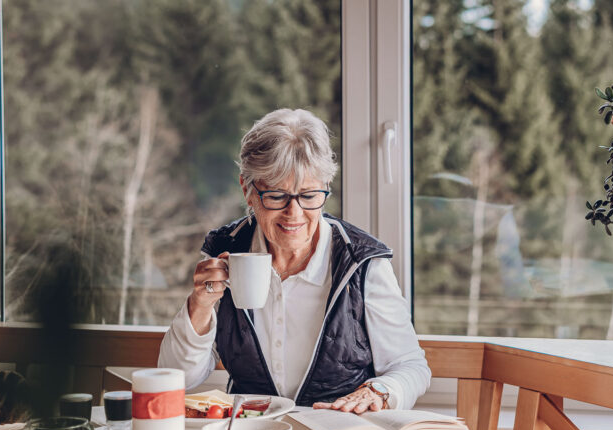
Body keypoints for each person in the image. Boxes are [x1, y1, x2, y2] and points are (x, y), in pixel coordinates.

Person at [158, 108, 430, 412]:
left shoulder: (362, 263)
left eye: (309, 195)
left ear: (326, 186)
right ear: (247, 190)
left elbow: (410, 366)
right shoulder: (225, 250)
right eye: (277, 196)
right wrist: (200, 305)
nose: (294, 213)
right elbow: (178, 378)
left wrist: (379, 392)